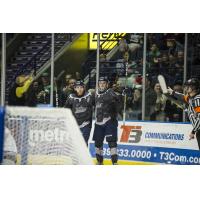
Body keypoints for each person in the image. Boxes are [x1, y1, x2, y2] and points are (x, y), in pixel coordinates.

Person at [93, 76, 122, 165]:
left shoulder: (111, 92)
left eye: (103, 83)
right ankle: (99, 161)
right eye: (100, 83)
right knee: (98, 143)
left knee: (112, 142)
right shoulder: (95, 94)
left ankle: (114, 162)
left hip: (110, 121)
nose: (101, 85)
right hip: (98, 122)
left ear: (107, 84)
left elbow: (118, 102)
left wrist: (121, 95)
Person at [167, 78, 200, 149]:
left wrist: (193, 131)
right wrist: (173, 92)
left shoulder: (197, 99)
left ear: (194, 87)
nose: (186, 88)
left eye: (188, 86)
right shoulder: (191, 98)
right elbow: (183, 97)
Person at [65, 80, 94, 146]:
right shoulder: (70, 97)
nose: (79, 89)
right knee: (74, 144)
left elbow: (98, 104)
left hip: (86, 124)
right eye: (77, 87)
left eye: (81, 87)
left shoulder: (90, 96)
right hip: (74, 124)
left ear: (84, 87)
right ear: (74, 88)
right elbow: (66, 109)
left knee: (83, 143)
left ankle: (84, 156)